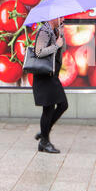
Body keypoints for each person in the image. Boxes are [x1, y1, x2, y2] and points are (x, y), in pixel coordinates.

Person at [32, 17, 68, 153]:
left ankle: (44, 133)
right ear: (53, 18)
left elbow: (61, 51)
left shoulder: (55, 31)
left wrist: (61, 35)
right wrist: (56, 46)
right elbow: (39, 52)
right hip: (44, 76)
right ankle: (45, 142)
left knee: (63, 105)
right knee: (48, 109)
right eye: (61, 17)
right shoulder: (44, 31)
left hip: (52, 76)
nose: (63, 19)